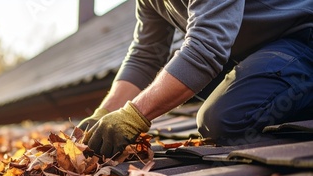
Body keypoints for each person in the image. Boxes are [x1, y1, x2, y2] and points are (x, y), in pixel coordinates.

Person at [80, 1, 313, 158]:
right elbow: (146, 55)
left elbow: (206, 48)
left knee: (224, 120)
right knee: (175, 69)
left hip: (302, 41)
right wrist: (104, 113)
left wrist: (133, 116)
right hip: (261, 54)